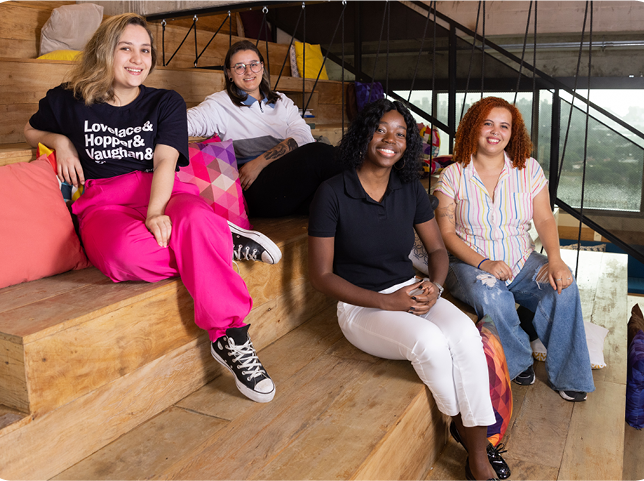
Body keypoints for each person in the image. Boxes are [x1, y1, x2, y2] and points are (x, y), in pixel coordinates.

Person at [23, 13, 278, 403]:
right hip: (105, 202)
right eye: (126, 48)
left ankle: (230, 335)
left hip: (165, 193)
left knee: (192, 217)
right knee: (123, 256)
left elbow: (164, 162)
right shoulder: (69, 99)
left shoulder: (165, 102)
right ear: (104, 52)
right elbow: (29, 128)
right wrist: (59, 141)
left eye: (145, 50)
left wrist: (156, 211)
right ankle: (217, 239)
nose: (137, 59)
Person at [308, 99, 509, 481]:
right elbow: (321, 276)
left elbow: (436, 249)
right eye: (381, 129)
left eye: (401, 133)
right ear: (364, 134)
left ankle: (476, 445)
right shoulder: (332, 192)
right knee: (431, 344)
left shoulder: (409, 188)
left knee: (466, 334)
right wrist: (388, 302)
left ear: (408, 145)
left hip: (411, 289)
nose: (390, 140)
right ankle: (471, 436)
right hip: (361, 307)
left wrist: (434, 286)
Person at [434, 96, 595, 402]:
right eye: (488, 123)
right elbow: (446, 233)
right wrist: (484, 263)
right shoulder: (453, 175)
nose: (496, 131)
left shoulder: (528, 169)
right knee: (490, 293)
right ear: (473, 127)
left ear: (513, 132)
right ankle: (517, 360)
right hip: (471, 266)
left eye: (504, 125)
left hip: (523, 261)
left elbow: (545, 217)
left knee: (564, 287)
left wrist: (556, 260)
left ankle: (570, 374)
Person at [187, 40, 343, 218]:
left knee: (333, 196)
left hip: (286, 184)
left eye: (254, 65)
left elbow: (303, 137)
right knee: (319, 154)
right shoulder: (219, 105)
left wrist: (259, 162)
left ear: (262, 67)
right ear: (229, 73)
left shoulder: (281, 101)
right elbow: (186, 122)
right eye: (239, 67)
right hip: (256, 190)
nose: (248, 72)